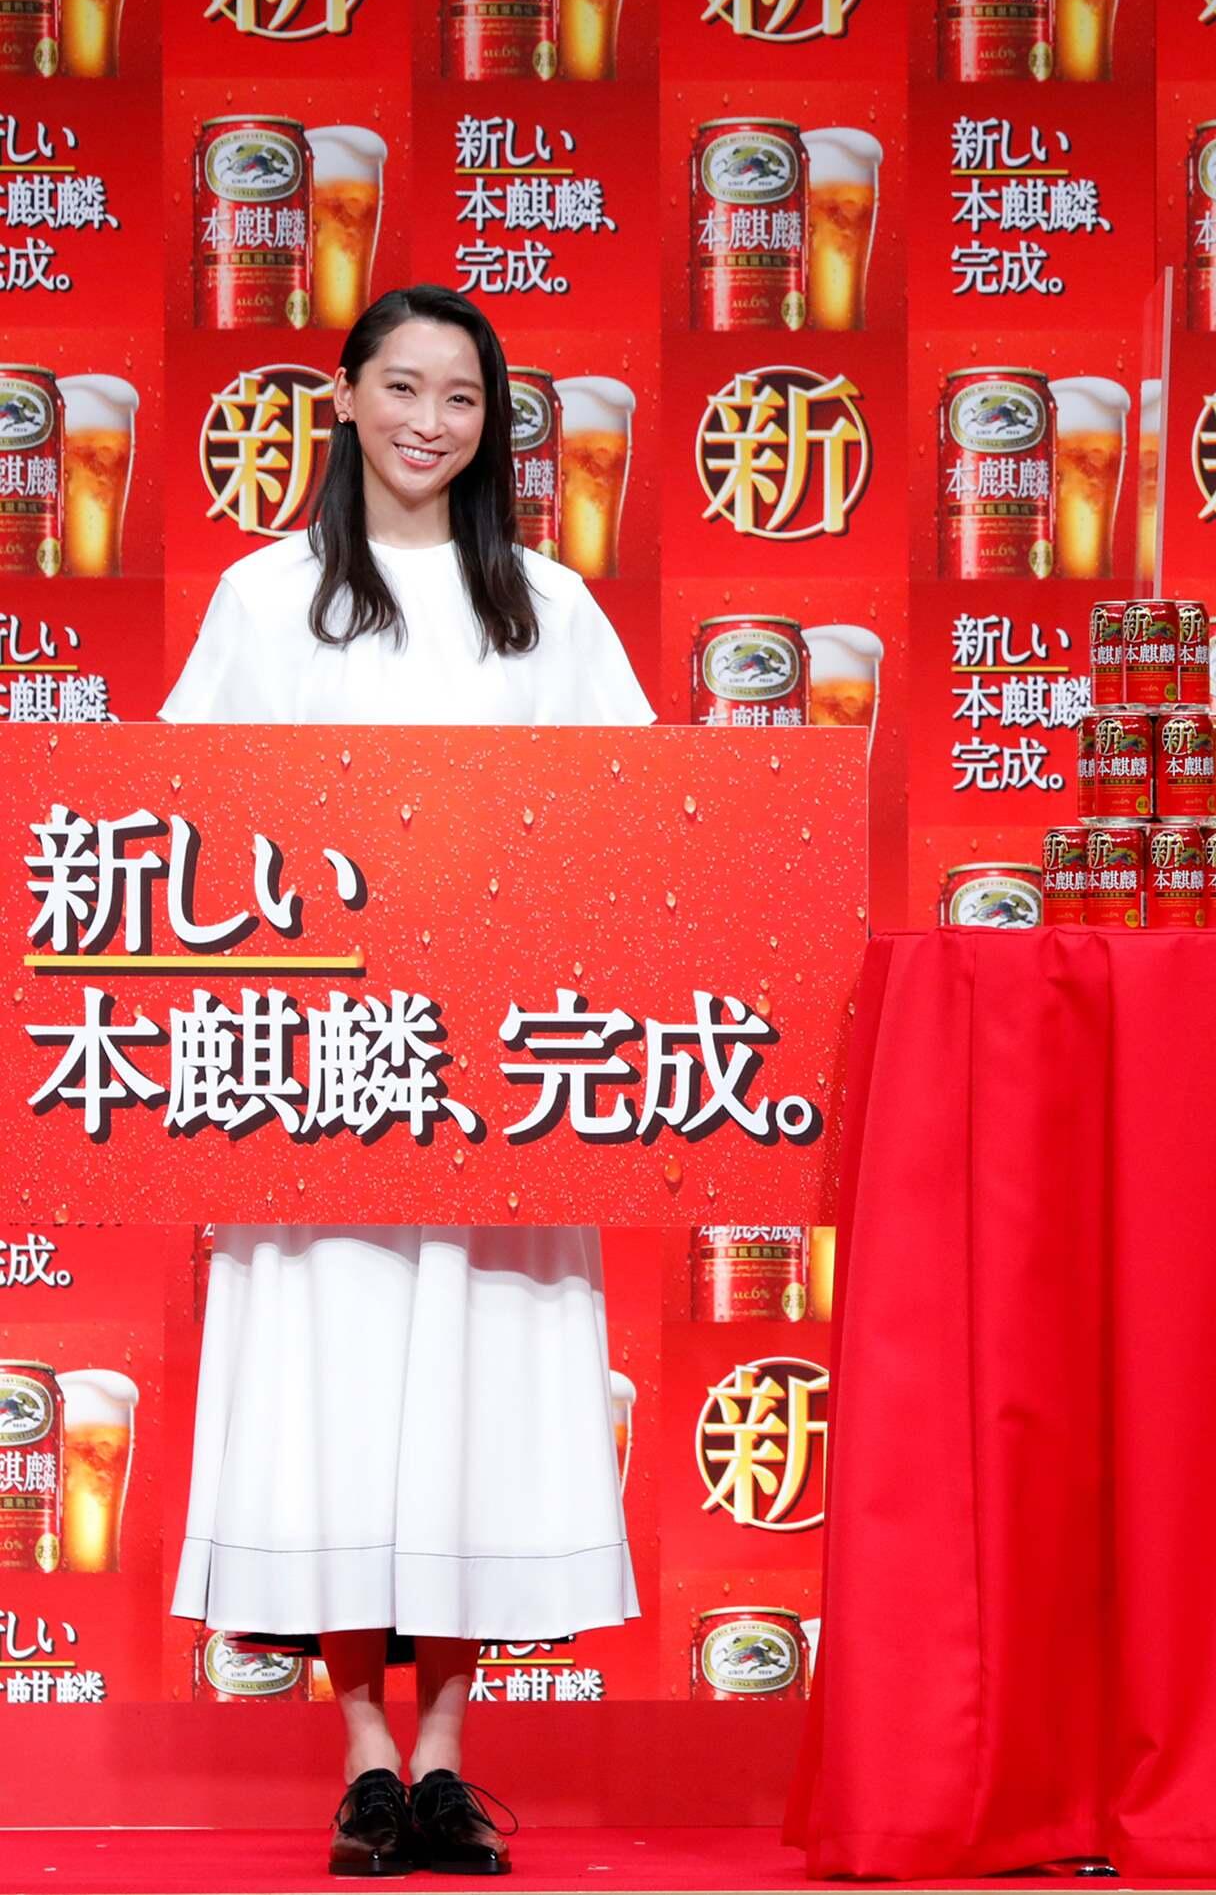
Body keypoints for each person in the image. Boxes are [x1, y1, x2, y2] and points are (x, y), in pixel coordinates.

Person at [165, 285, 653, 1877]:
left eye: (461, 397)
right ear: (343, 395)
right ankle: (362, 1755)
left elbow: (647, 812)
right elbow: (174, 811)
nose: (429, 421)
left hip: (501, 1080)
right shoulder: (263, 598)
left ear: (491, 425)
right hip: (318, 1078)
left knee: (473, 1407)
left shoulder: (551, 608)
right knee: (334, 1401)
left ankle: (444, 1757)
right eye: (401, 387)